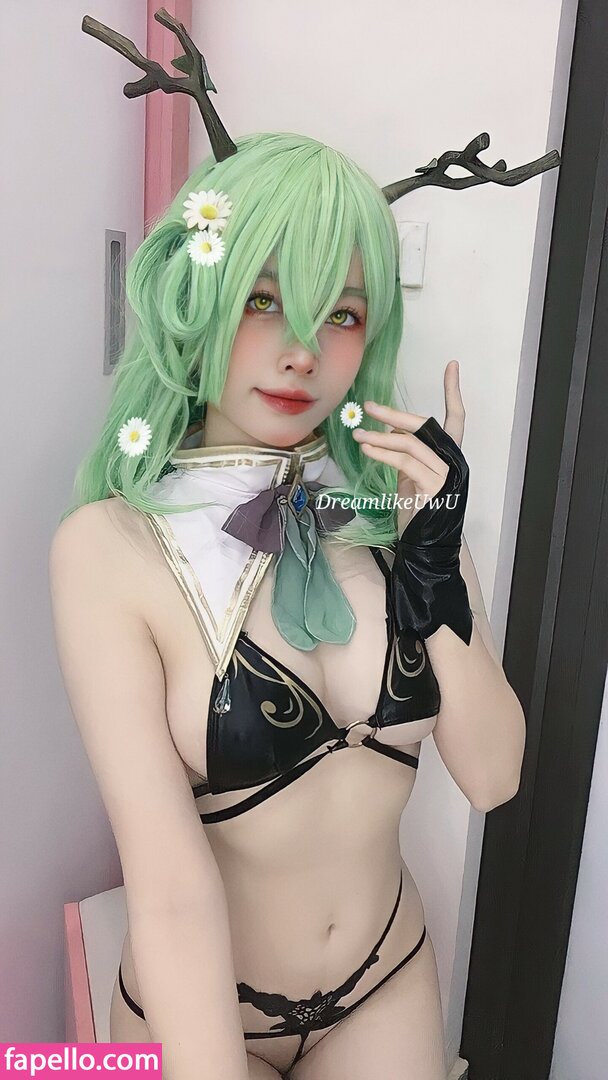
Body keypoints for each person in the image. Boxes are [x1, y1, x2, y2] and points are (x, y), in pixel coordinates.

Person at [49, 127, 526, 1080]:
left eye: (340, 315)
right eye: (263, 300)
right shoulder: (109, 546)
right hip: (202, 1012)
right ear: (202, 298)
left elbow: (493, 776)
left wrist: (435, 562)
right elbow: (169, 888)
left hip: (386, 980)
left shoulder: (395, 512)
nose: (302, 352)